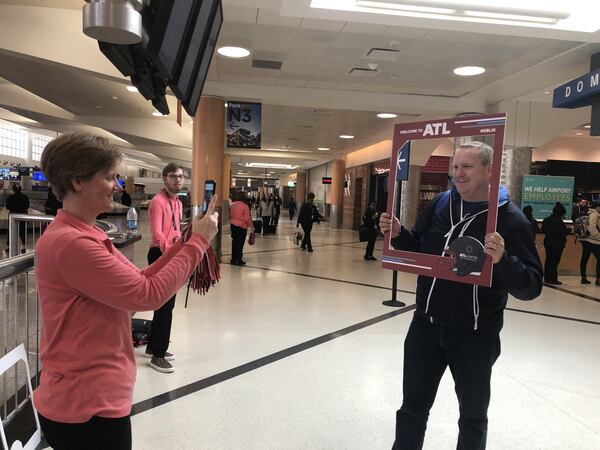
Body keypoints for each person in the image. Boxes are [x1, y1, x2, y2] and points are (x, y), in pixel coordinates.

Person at [34, 133, 218, 450]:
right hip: (85, 404)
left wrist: (187, 243)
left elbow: (140, 277)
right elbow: (147, 295)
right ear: (78, 181)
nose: (118, 186)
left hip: (92, 396)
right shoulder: (72, 243)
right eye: (109, 177)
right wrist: (199, 244)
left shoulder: (85, 233)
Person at [380, 141, 542, 450]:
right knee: (411, 408)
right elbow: (421, 252)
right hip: (425, 325)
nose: (458, 173)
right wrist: (399, 234)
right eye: (455, 166)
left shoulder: (510, 220)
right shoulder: (442, 203)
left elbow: (531, 286)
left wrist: (503, 261)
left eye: (467, 166)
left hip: (475, 335)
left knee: (472, 417)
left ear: (488, 170)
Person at [145, 163, 186, 373]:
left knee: (167, 305)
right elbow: (158, 235)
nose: (178, 180)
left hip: (172, 254)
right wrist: (171, 255)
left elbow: (176, 229)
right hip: (161, 255)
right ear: (164, 178)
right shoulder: (158, 202)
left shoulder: (178, 202)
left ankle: (153, 346)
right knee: (164, 305)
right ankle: (158, 355)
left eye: (180, 176)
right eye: (173, 176)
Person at [541, 202, 568, 285]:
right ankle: (553, 278)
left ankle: (547, 277)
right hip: (558, 244)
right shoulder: (559, 221)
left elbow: (544, 230)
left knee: (549, 260)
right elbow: (563, 232)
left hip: (548, 242)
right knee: (555, 261)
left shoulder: (547, 219)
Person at [578, 201, 600, 285]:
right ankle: (598, 279)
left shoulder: (587, 212)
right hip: (593, 241)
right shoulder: (594, 214)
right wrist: (598, 236)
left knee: (584, 259)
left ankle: (583, 278)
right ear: (597, 207)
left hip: (585, 240)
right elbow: (592, 228)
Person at [230, 191, 254, 265]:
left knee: (234, 242)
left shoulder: (233, 205)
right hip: (241, 227)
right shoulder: (244, 206)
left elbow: (230, 215)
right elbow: (247, 218)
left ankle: (233, 259)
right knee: (240, 243)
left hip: (233, 226)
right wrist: (252, 226)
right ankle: (238, 259)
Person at [6, 183, 29, 253]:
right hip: (23, 216)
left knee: (11, 232)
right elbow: (27, 206)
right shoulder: (25, 197)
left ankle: (9, 247)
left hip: (13, 217)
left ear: (13, 190)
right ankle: (24, 247)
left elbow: (8, 207)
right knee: (23, 232)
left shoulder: (11, 197)